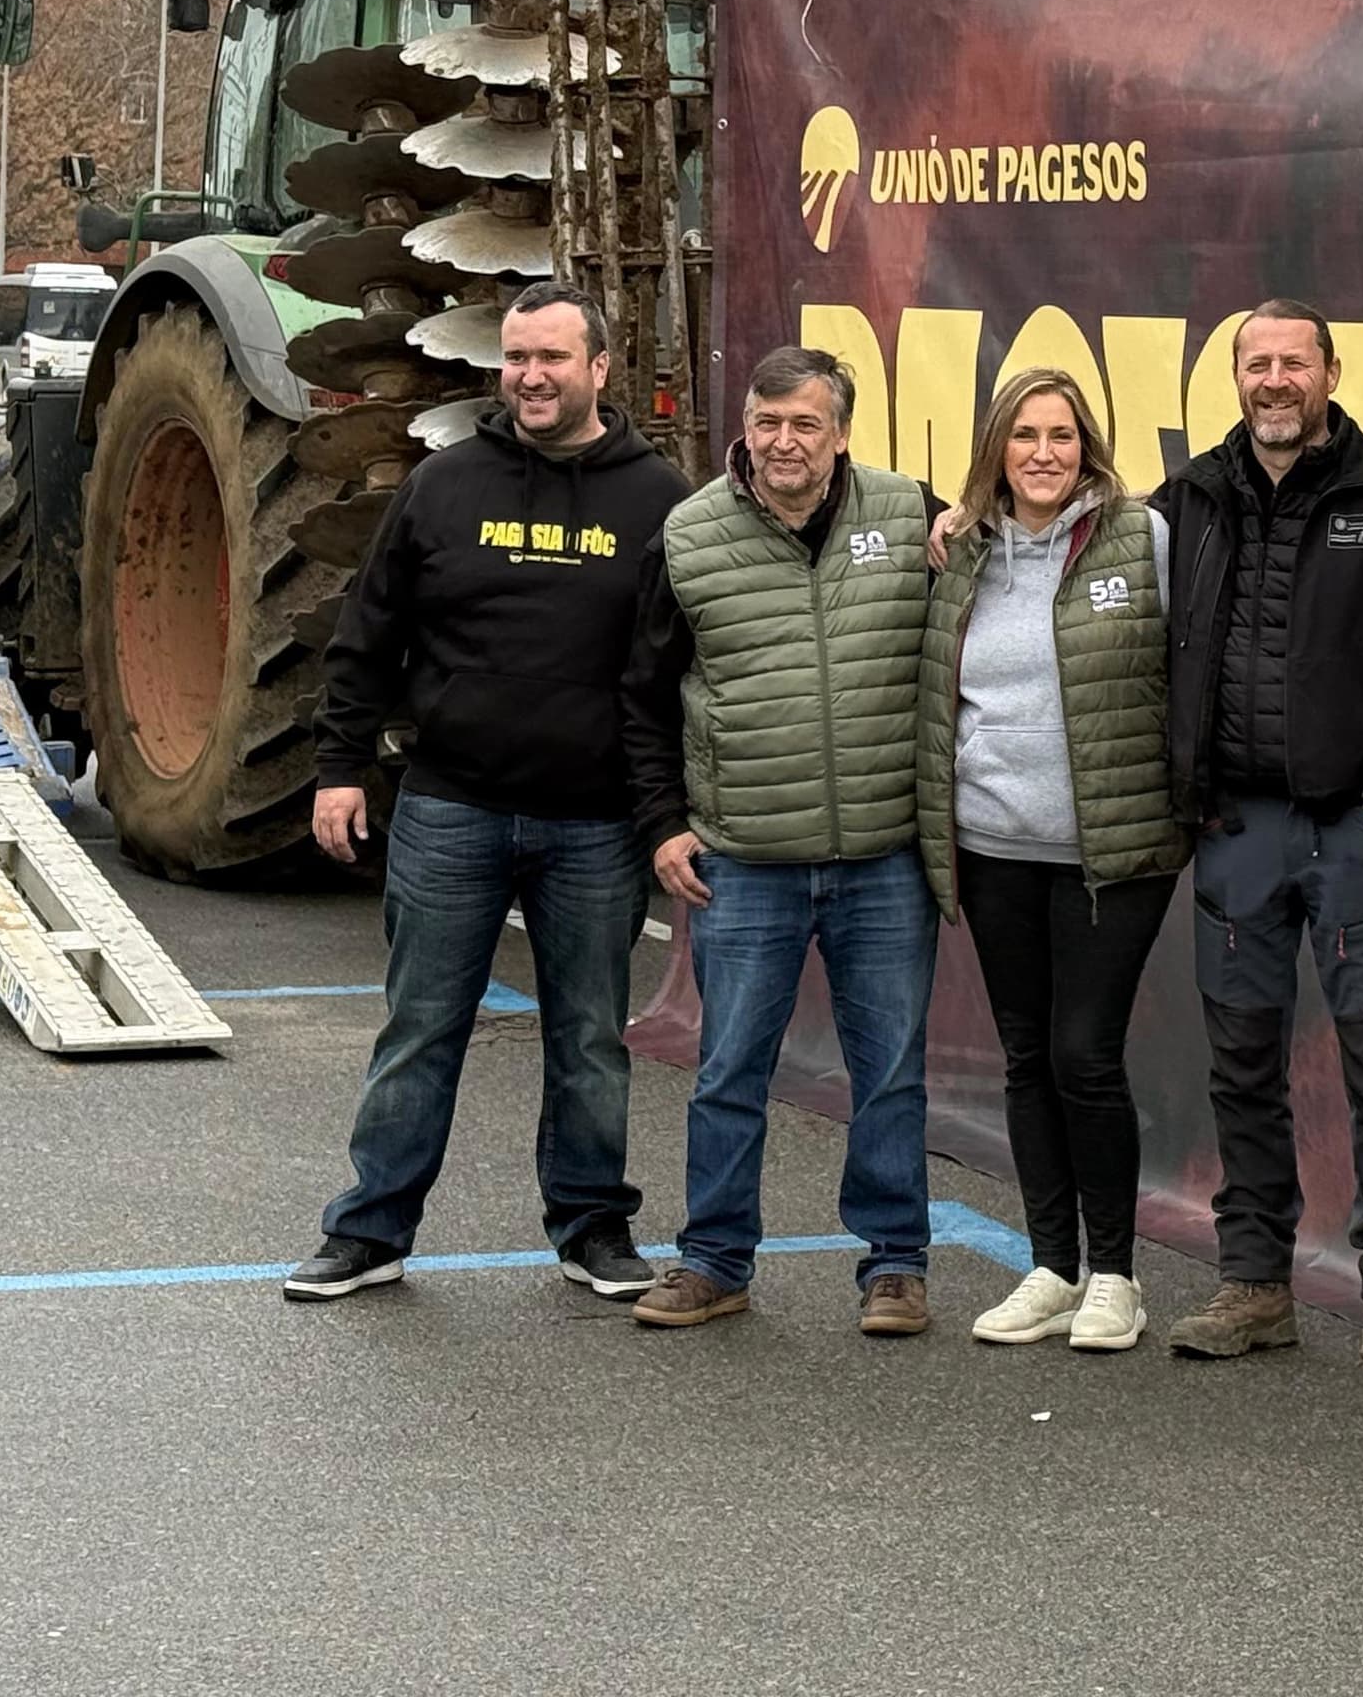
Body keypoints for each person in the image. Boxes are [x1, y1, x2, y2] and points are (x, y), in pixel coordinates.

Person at [287, 282, 691, 1305]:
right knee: (421, 1026)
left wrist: (668, 814)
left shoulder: (659, 501)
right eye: (517, 357)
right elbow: (367, 634)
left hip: (595, 821)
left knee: (591, 1036)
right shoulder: (445, 484)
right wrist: (339, 768)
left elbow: (686, 665)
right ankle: (370, 1230)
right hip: (450, 807)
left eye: (553, 357)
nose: (532, 376)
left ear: (601, 368)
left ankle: (593, 1229)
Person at [1154, 299, 1363, 1380]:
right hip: (1237, 830)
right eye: (1257, 363)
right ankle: (1255, 1281)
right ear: (1236, 378)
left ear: (1331, 372)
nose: (1275, 380)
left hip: (1356, 833)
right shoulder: (1190, 500)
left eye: (1294, 361)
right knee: (1243, 1063)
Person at [620, 344, 944, 1338]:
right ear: (744, 427)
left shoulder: (912, 514)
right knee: (729, 1071)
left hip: (884, 857)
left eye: (805, 423)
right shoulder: (688, 535)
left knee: (889, 1070)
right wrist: (665, 827)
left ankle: (895, 1266)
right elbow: (640, 698)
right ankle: (715, 1260)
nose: (783, 442)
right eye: (767, 422)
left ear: (842, 431)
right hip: (744, 861)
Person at [918, 368, 1181, 1353]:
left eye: (1062, 435)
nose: (1042, 453)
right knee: (1027, 1058)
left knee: (1083, 1052)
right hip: (993, 851)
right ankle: (1051, 1268)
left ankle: (1115, 1276)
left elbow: (1183, 672)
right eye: (1024, 434)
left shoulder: (1138, 536)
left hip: (1112, 852)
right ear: (997, 446)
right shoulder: (960, 551)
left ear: (1088, 446)